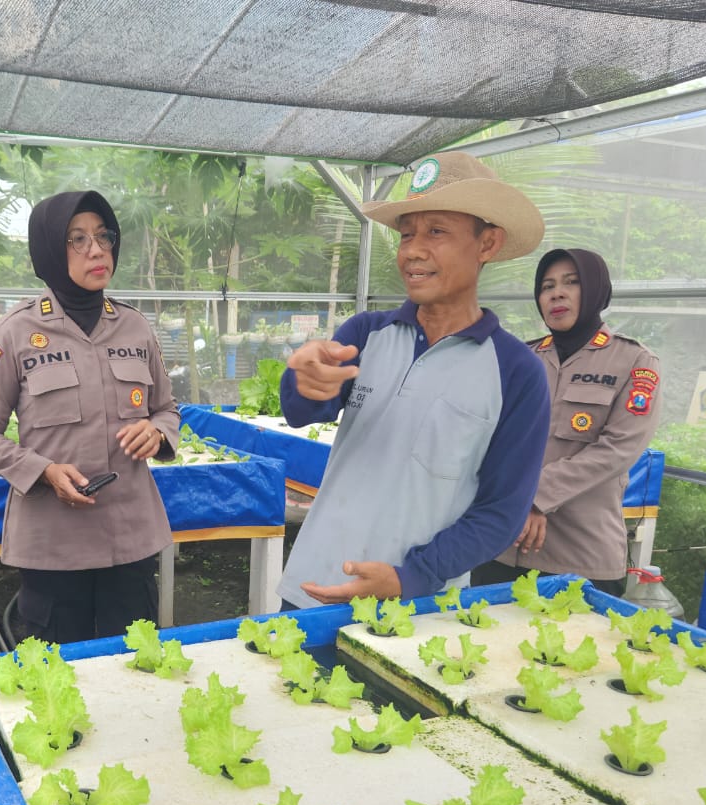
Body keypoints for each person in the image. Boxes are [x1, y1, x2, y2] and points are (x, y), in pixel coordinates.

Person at [278, 151, 551, 608]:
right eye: (407, 234)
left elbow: (501, 511)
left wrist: (412, 576)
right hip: (313, 587)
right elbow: (302, 412)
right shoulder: (365, 334)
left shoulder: (516, 371)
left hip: (419, 608)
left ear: (487, 244)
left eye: (436, 232)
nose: (412, 251)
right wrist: (302, 380)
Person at [0, 190, 180, 643]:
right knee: (61, 672)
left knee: (134, 667)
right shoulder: (13, 333)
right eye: (77, 239)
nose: (96, 250)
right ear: (48, 249)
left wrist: (157, 433)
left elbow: (165, 409)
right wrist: (42, 471)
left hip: (130, 539)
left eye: (104, 237)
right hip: (54, 547)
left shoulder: (135, 327)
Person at [471, 248, 662, 595]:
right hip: (501, 545)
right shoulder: (522, 357)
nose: (556, 294)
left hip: (580, 555)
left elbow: (619, 448)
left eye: (571, 283)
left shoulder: (634, 361)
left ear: (596, 290)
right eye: (547, 287)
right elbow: (488, 436)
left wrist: (534, 496)